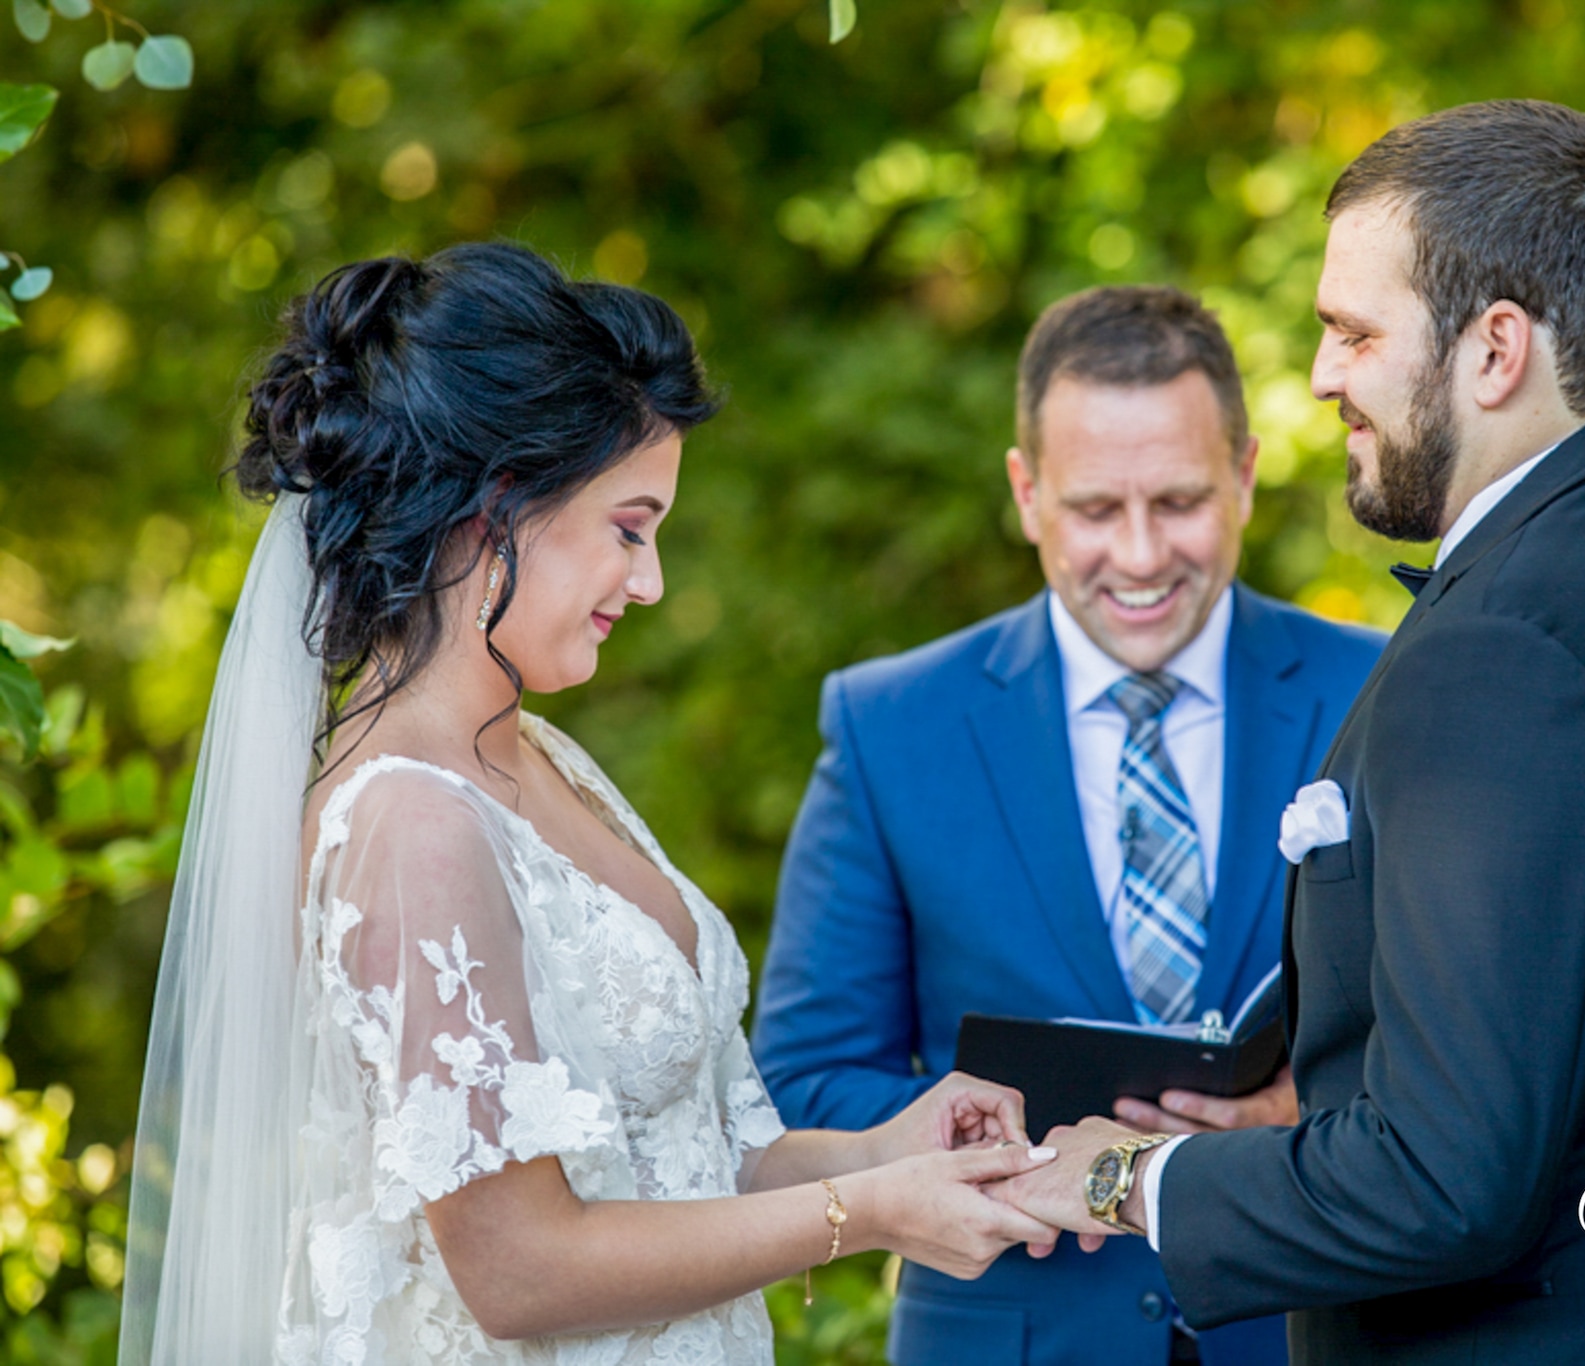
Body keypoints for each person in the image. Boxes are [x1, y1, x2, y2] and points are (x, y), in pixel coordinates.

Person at [998, 100, 1585, 1365]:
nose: (1321, 377)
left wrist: (1127, 1181)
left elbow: (1442, 1177)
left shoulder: (1508, 646)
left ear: (1493, 350)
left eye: (1353, 332)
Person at [118, 242, 1066, 1366]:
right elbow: (517, 1266)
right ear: (498, 507)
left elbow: (683, 1165)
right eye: (629, 526)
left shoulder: (548, 761)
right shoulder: (407, 821)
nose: (650, 581)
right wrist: (868, 1218)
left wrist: (885, 1156)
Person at [753, 285, 1387, 1365]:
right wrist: (1034, 1143)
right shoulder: (892, 724)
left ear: (1241, 477)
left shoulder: (1375, 688)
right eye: (1095, 509)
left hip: (1307, 1330)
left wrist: (1300, 1111)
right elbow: (806, 1080)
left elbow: (1466, 1042)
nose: (1139, 557)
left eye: (1178, 501)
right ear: (1025, 492)